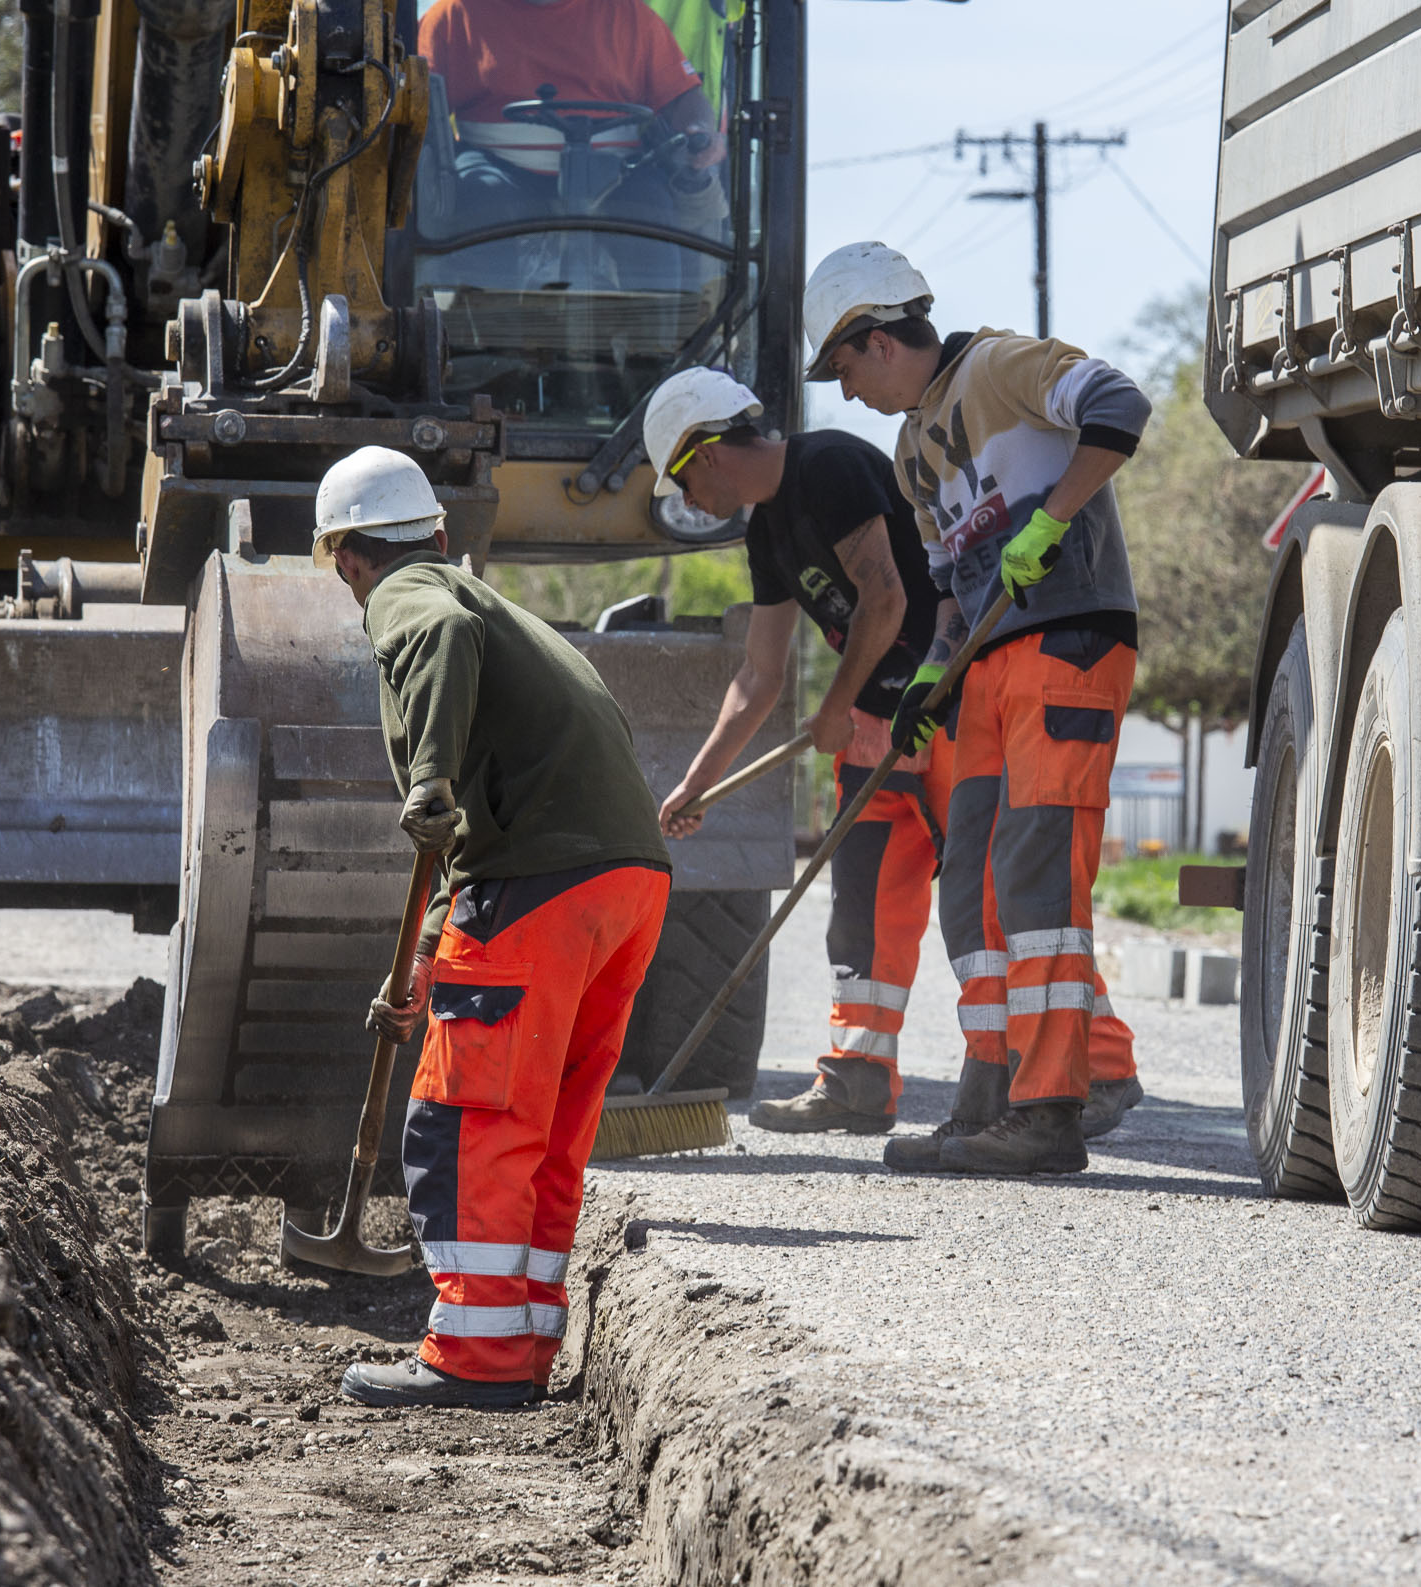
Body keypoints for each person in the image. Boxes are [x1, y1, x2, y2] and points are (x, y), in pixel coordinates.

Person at [646, 368, 1145, 1141]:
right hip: (874, 726)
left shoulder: (830, 466)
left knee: (998, 900)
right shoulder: (766, 531)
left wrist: (838, 708)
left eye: (681, 484)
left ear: (704, 452)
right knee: (864, 910)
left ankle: (1100, 1062)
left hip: (942, 708)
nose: (689, 506)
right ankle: (857, 1074)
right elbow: (759, 670)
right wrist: (697, 782)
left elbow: (888, 599)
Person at [315, 447, 675, 1410]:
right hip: (623, 887)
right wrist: (430, 960)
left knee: (467, 1121)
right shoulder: (511, 616)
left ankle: (473, 1357)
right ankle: (520, 1343)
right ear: (439, 527)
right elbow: (476, 827)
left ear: (348, 555)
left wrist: (423, 780)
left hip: (540, 885)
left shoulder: (414, 593)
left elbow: (424, 635)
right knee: (549, 1127)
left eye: (344, 567)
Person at [803, 241, 1153, 1177]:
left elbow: (1120, 405)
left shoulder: (1002, 366)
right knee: (974, 888)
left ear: (878, 340)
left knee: (1036, 877)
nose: (842, 394)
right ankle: (988, 1098)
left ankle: (1048, 1112)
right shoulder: (915, 448)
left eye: (841, 368)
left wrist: (1055, 516)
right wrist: (930, 673)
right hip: (989, 662)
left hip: (1069, 639)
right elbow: (953, 586)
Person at [419, 0, 723, 283]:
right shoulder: (455, 17)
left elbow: (684, 97)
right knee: (481, 198)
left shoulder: (630, 17)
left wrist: (701, 130)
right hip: (498, 164)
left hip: (613, 171)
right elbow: (418, 102)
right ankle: (482, 336)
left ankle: (660, 338)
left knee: (652, 211)